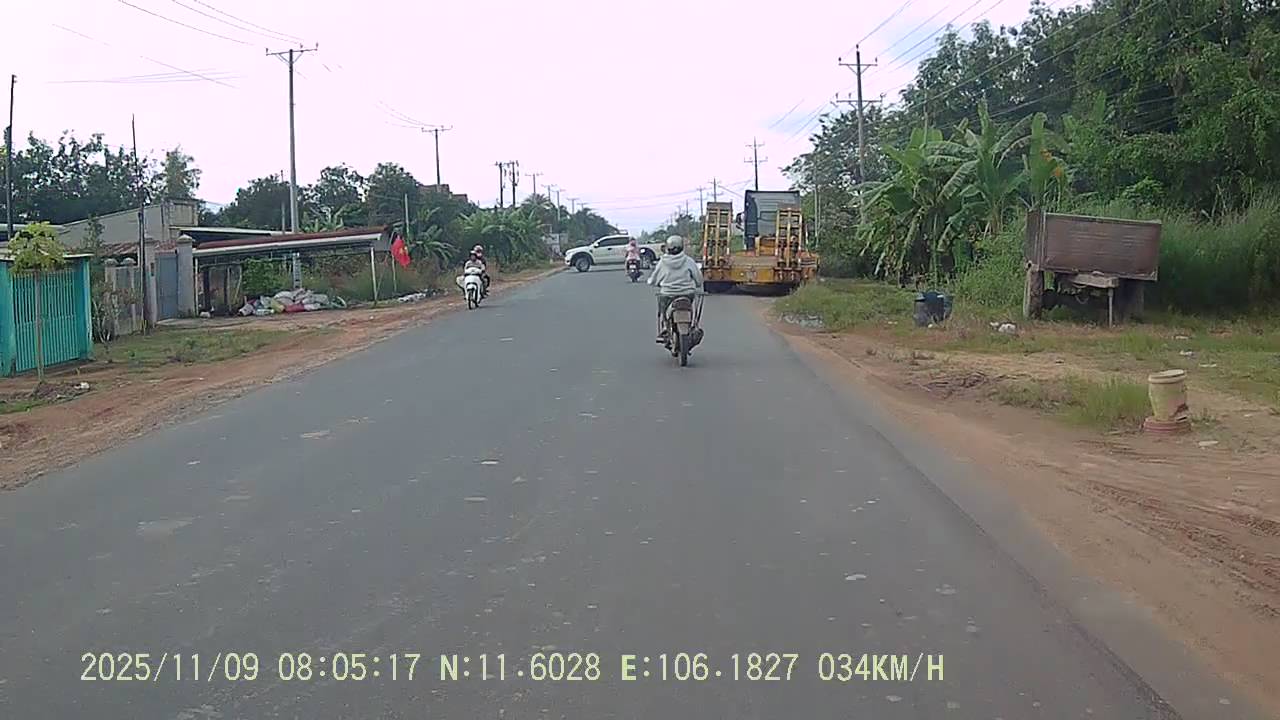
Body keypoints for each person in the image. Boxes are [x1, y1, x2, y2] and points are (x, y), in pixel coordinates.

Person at [647, 235, 704, 342]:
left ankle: (665, 327)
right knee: (690, 307)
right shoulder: (689, 261)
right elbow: (698, 279)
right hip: (687, 294)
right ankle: (691, 326)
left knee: (663, 310)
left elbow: (654, 279)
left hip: (667, 294)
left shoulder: (663, 262)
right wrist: (697, 284)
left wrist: (651, 282)